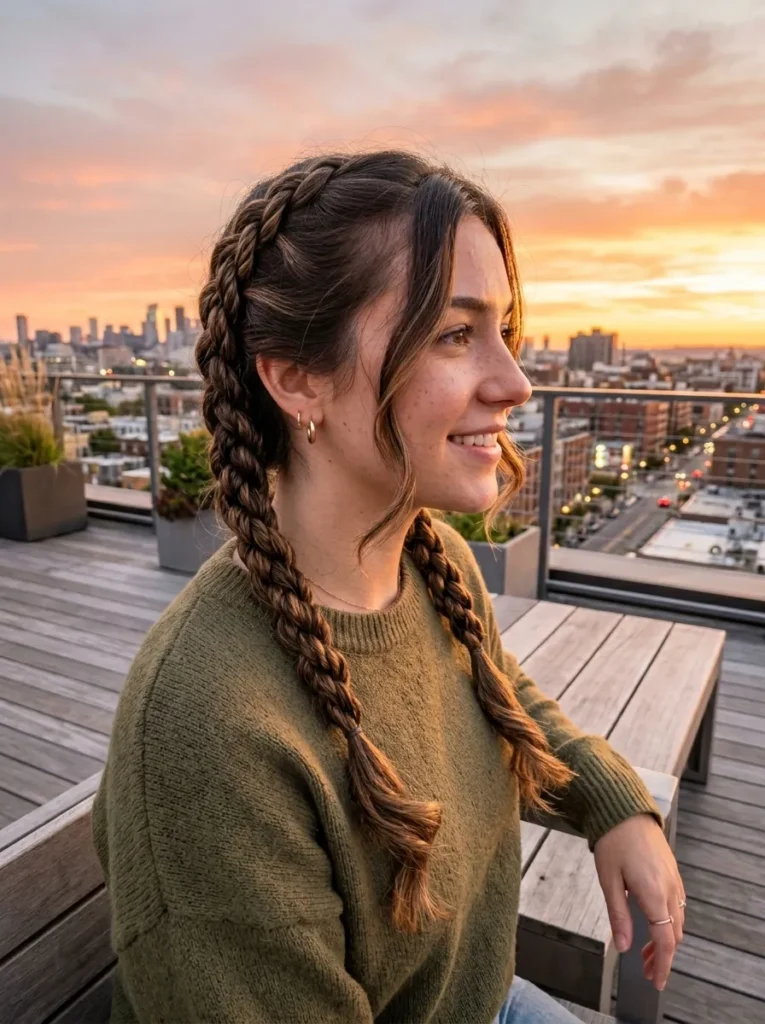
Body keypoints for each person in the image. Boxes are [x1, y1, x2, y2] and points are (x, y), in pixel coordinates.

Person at [93, 151, 685, 1023]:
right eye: (454, 334)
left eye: (503, 330)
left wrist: (607, 799)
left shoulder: (426, 560)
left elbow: (497, 693)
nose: (514, 382)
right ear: (296, 378)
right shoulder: (207, 729)